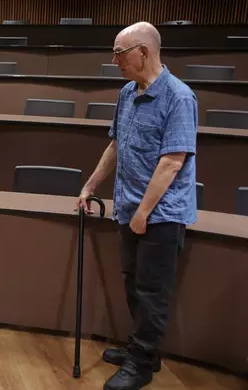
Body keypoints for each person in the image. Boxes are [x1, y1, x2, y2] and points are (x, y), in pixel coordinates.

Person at [77, 22, 198, 390]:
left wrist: (144, 213)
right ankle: (141, 348)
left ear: (143, 51)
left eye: (119, 53)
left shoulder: (179, 98)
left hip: (160, 216)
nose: (114, 60)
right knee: (133, 284)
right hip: (130, 210)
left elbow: (172, 162)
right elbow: (116, 145)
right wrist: (90, 185)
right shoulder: (127, 93)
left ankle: (143, 362)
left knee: (152, 291)